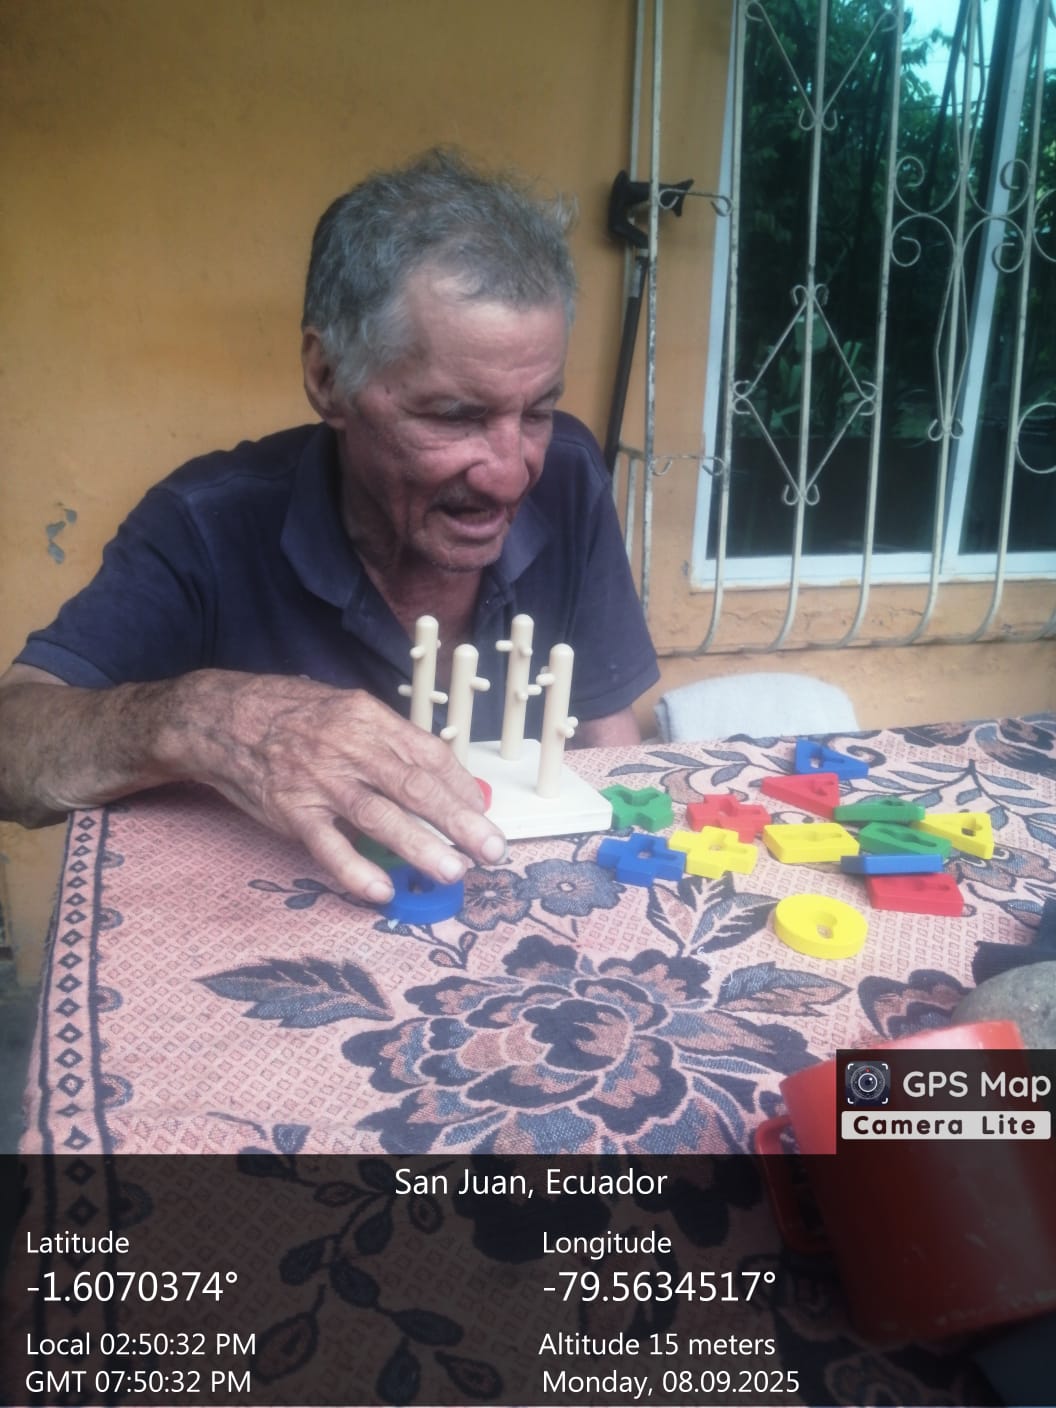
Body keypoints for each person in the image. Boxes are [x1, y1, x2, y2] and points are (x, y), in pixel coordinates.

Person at [0, 149, 658, 903]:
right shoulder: (205, 525)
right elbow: (11, 745)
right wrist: (205, 716)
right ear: (328, 377)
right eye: (454, 415)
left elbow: (608, 743)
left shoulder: (567, 475)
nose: (512, 475)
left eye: (537, 410)